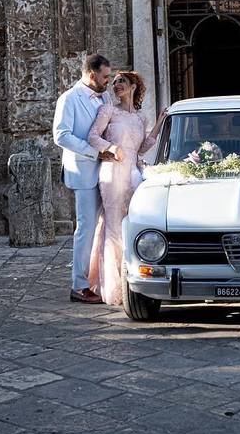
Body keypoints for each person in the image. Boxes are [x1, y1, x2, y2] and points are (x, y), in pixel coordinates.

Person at [87, 71, 167, 306]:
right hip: (112, 171)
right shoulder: (108, 110)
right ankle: (114, 287)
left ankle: (135, 280)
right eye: (113, 82)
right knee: (113, 224)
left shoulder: (141, 118)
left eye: (121, 81)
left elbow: (142, 148)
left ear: (133, 86)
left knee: (132, 223)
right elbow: (92, 137)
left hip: (133, 171)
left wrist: (160, 122)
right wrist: (111, 148)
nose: (116, 85)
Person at [52, 53, 115, 304]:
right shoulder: (69, 99)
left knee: (104, 227)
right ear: (92, 75)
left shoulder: (106, 96)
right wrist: (95, 152)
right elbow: (61, 135)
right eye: (105, 76)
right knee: (86, 228)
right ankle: (79, 285)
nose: (108, 81)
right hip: (84, 171)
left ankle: (100, 279)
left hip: (106, 172)